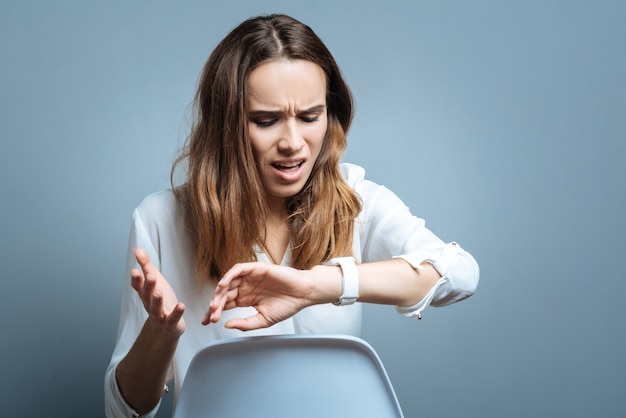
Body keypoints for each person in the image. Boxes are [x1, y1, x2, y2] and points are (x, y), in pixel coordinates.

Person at [104, 13, 479, 417]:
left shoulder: (354, 200)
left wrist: (320, 285)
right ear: (225, 125)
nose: (293, 143)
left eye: (309, 117)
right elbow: (122, 410)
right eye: (266, 121)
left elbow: (459, 273)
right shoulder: (161, 219)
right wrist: (160, 336)